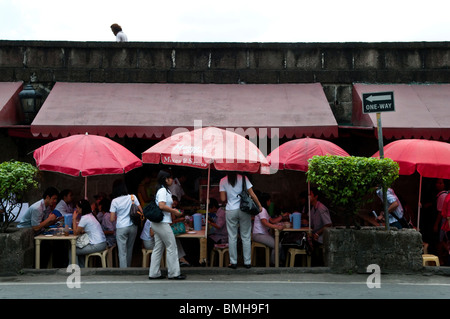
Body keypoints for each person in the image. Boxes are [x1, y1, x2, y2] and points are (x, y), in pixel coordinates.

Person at [219, 172, 262, 269]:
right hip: (244, 209)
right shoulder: (244, 178)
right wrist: (259, 205)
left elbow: (222, 198)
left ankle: (233, 262)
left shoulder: (223, 180)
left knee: (232, 237)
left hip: (231, 210)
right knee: (246, 236)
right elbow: (252, 194)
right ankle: (247, 262)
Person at [148, 170, 186, 280]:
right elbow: (161, 205)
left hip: (159, 223)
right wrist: (174, 211)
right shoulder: (163, 191)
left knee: (158, 248)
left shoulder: (164, 190)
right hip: (162, 223)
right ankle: (174, 273)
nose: (172, 180)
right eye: (170, 178)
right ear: (165, 179)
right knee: (172, 246)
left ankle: (154, 273)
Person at [109, 180, 142, 268]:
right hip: (133, 226)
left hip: (121, 227)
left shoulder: (114, 201)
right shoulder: (132, 197)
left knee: (122, 252)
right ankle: (129, 269)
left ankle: (123, 271)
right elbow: (141, 211)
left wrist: (118, 215)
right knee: (129, 249)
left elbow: (112, 219)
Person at [252, 193, 284, 266]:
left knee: (279, 242)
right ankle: (274, 264)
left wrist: (282, 217)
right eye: (269, 200)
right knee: (277, 245)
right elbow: (264, 223)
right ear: (266, 201)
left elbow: (272, 221)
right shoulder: (262, 210)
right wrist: (276, 227)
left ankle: (278, 262)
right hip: (259, 234)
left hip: (262, 234)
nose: (270, 202)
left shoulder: (264, 210)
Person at [72, 199, 107, 267]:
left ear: (82, 208)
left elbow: (75, 233)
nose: (76, 210)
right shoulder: (90, 215)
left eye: (77, 208)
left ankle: (74, 270)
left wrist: (74, 219)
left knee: (73, 250)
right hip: (102, 243)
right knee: (79, 247)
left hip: (97, 245)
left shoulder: (85, 218)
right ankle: (81, 268)